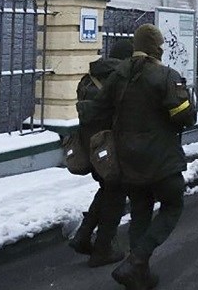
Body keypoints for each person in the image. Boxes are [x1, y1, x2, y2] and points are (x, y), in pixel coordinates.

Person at [96, 24, 197, 289]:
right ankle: (138, 260)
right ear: (156, 49)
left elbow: (100, 111)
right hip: (160, 160)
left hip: (128, 160)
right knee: (173, 205)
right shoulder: (165, 76)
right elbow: (186, 116)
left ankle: (138, 272)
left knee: (141, 211)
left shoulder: (118, 75)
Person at [68, 39, 132, 267]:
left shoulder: (90, 77)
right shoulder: (121, 79)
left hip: (91, 147)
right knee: (116, 195)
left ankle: (83, 236)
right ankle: (103, 248)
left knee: (106, 190)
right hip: (112, 147)